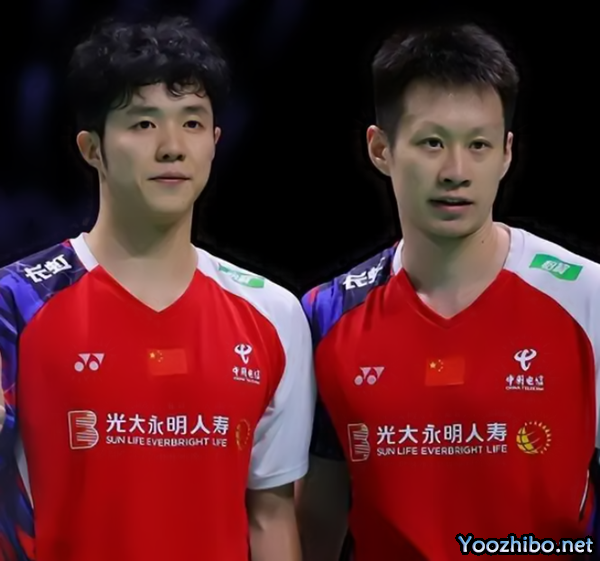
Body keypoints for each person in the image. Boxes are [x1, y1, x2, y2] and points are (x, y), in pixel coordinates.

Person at [0, 16, 315, 561]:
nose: (172, 147)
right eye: (143, 124)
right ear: (91, 148)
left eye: (192, 123)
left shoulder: (273, 314)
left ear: (215, 142)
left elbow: (270, 515)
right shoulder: (15, 306)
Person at [297, 21, 600, 560]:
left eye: (478, 145)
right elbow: (316, 517)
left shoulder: (586, 296)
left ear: (506, 153)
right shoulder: (328, 314)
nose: (456, 171)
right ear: (381, 148)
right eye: (432, 142)